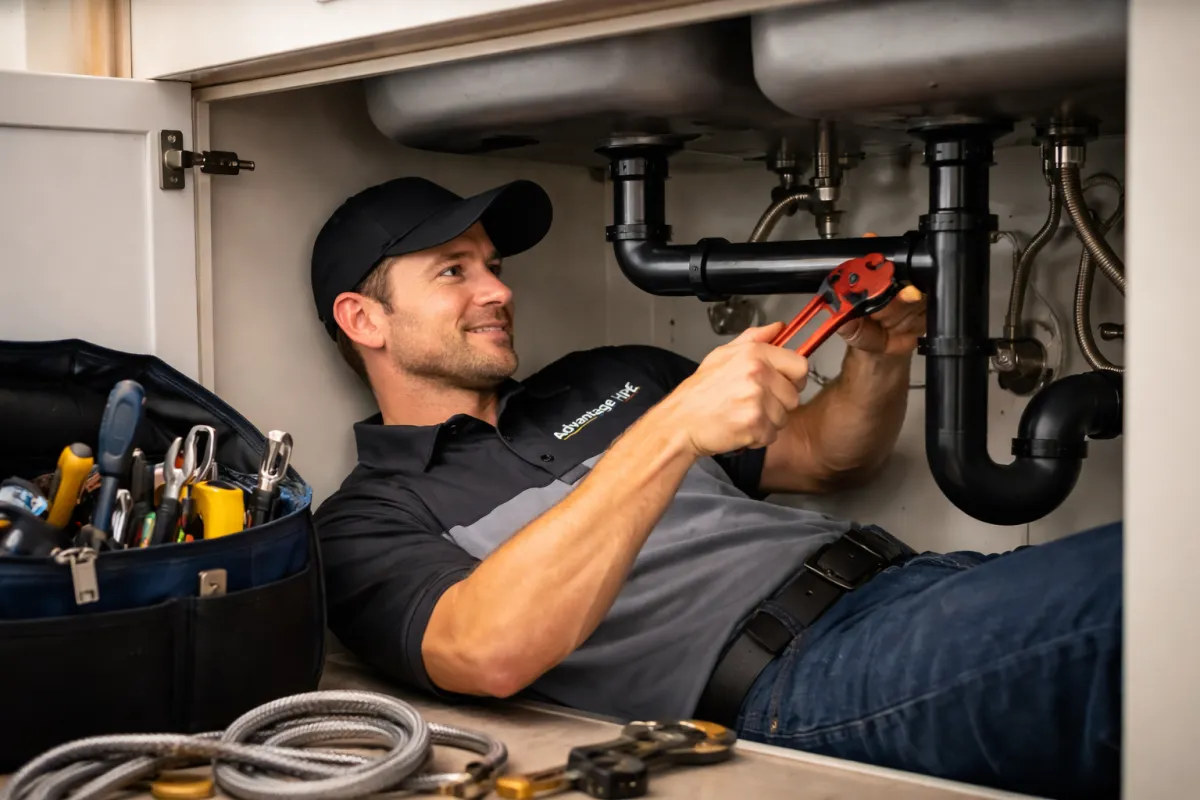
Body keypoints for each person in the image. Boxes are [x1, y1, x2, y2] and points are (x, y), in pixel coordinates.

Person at [310, 176, 1120, 799]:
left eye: (492, 266)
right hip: (805, 681)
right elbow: (485, 650)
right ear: (363, 320)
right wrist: (668, 432)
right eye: (453, 271)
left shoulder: (610, 373)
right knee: (1134, 606)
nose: (498, 290)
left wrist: (881, 353)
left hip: (920, 582)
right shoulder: (365, 521)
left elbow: (823, 457)